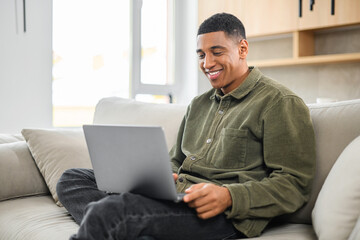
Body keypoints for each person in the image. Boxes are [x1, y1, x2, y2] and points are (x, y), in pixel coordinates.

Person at [57, 13, 316, 239]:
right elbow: (176, 160)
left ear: (243, 49)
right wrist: (159, 179)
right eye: (201, 55)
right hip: (176, 197)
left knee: (110, 210)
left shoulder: (279, 103)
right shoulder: (199, 105)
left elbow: (293, 185)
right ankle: (126, 224)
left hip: (220, 214)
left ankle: (117, 219)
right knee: (72, 180)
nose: (207, 64)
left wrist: (229, 196)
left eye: (217, 52)